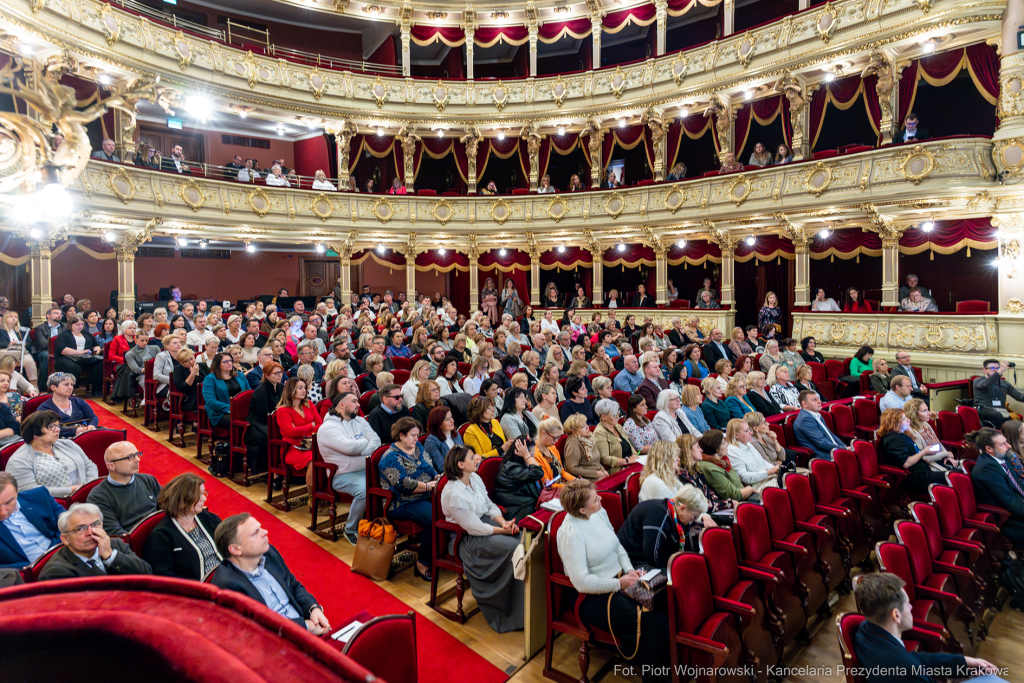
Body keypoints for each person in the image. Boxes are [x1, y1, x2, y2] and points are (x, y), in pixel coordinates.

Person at [554, 479, 670, 683]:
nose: (600, 498)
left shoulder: (598, 513)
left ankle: (670, 669)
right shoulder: (570, 533)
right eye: (594, 498)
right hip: (591, 596)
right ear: (582, 509)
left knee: (666, 599)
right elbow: (582, 582)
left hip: (620, 579)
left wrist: (630, 571)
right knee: (655, 623)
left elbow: (617, 546)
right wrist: (620, 584)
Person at [852, 572, 996, 683]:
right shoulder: (908, 672)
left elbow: (914, 659)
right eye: (907, 604)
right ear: (896, 615)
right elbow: (910, 665)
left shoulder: (865, 629)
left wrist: (966, 663)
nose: (911, 606)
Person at [441, 445, 525, 632]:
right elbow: (474, 527)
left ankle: (525, 605)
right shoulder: (453, 493)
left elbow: (489, 505)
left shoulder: (474, 478)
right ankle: (508, 612)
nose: (477, 459)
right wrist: (503, 531)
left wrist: (503, 523)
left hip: (487, 526)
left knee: (523, 540)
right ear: (460, 464)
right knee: (514, 548)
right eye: (472, 458)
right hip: (467, 540)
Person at [210, 513, 329, 633]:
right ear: (235, 549)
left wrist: (313, 608)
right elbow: (257, 630)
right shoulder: (227, 587)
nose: (265, 531)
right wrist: (306, 626)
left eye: (260, 527)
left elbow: (293, 585)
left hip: (307, 628)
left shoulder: (268, 553)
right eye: (255, 533)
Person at [378, 417, 438, 580]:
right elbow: (402, 484)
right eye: (413, 435)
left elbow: (429, 465)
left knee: (449, 508)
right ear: (401, 435)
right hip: (401, 502)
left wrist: (437, 477)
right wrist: (428, 486)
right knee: (434, 517)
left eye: (417, 435)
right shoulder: (391, 456)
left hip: (425, 494)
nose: (416, 439)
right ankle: (423, 563)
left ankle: (440, 554)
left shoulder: (417, 446)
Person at [318, 392, 380, 546]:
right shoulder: (328, 428)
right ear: (342, 405)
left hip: (367, 470)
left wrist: (358, 447)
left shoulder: (359, 420)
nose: (359, 404)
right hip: (342, 475)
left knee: (391, 483)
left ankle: (379, 524)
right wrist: (365, 444)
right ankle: (350, 530)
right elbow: (349, 448)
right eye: (354, 401)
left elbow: (376, 441)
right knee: (365, 490)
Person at [38, 502, 152, 580]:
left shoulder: (115, 545)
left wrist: (110, 557)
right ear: (65, 539)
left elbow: (147, 573)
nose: (90, 532)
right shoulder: (55, 572)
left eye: (95, 524)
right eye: (80, 528)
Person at [142, 473, 222, 580]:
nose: (204, 499)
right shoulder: (160, 538)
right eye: (198, 495)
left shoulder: (208, 518)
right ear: (181, 500)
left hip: (226, 578)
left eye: (204, 493)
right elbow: (166, 580)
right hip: (199, 592)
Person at [618, 485, 711, 570]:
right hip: (631, 561)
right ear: (682, 508)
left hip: (652, 559)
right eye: (695, 516)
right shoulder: (658, 514)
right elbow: (653, 558)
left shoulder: (679, 517)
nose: (694, 520)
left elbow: (684, 551)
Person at [84, 442, 160, 537]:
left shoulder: (148, 480)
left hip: (162, 534)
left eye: (137, 454)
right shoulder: (98, 496)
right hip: (134, 545)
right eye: (130, 457)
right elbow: (115, 533)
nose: (138, 459)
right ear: (111, 466)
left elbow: (169, 507)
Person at [967, 427, 1024, 547]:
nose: (1008, 446)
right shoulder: (987, 470)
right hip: (1009, 521)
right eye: (1003, 444)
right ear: (989, 448)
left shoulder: (1001, 458)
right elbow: (1011, 503)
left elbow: (1018, 486)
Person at [0, 471, 63, 569]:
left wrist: (52, 556)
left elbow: (69, 523)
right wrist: (36, 566)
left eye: (9, 502)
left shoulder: (39, 496)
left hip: (66, 557)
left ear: (17, 492)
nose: (3, 512)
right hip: (27, 576)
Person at [276, 377, 322, 499]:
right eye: (300, 388)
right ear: (291, 391)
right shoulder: (282, 411)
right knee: (312, 459)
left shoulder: (309, 404)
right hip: (292, 448)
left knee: (327, 455)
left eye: (304, 388)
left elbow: (320, 424)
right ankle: (313, 498)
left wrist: (304, 430)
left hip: (310, 443)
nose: (304, 391)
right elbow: (292, 432)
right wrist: (310, 426)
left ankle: (325, 492)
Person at [243, 362, 284, 475]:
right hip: (257, 424)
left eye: (280, 372)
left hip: (273, 421)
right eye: (276, 373)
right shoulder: (261, 390)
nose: (279, 375)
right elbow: (264, 415)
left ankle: (281, 466)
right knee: (273, 434)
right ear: (267, 375)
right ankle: (270, 468)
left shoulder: (281, 387)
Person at [696, 430, 754, 503]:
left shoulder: (722, 460)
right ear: (716, 449)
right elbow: (734, 495)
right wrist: (750, 489)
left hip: (745, 495)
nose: (727, 444)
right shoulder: (710, 468)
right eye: (723, 443)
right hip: (738, 502)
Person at [725, 418, 781, 493]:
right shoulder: (732, 451)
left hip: (768, 478)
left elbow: (763, 462)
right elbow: (743, 477)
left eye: (749, 429)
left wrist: (776, 469)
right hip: (757, 486)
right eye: (746, 431)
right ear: (736, 435)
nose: (751, 432)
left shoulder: (748, 444)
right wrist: (768, 472)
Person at [54, 315, 103, 395]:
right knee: (75, 368)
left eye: (82, 324)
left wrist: (97, 350)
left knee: (100, 364)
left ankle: (96, 389)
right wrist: (80, 352)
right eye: (77, 324)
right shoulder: (64, 335)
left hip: (85, 358)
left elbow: (96, 345)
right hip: (67, 358)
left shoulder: (86, 334)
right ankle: (72, 390)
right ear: (71, 325)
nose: (80, 326)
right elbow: (63, 350)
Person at [792, 390, 845, 461]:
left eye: (818, 399)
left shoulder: (815, 414)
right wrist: (844, 449)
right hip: (821, 456)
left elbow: (831, 435)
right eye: (814, 400)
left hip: (831, 450)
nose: (819, 401)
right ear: (804, 404)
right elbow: (821, 443)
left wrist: (844, 447)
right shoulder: (805, 419)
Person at [592, 399, 638, 475]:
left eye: (618, 413)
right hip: (617, 469)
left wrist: (635, 455)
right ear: (604, 416)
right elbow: (604, 458)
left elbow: (629, 444)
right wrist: (627, 461)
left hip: (630, 464)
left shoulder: (618, 427)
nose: (617, 417)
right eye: (614, 415)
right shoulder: (599, 432)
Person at [202, 353, 244, 432]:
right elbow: (210, 401)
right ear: (217, 364)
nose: (230, 363)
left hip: (240, 409)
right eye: (225, 362)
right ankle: (238, 443)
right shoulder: (210, 379)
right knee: (239, 420)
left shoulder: (240, 376)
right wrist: (230, 407)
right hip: (220, 413)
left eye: (231, 361)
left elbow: (248, 394)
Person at [562, 413, 606, 481]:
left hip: (598, 475)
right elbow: (572, 469)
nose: (587, 427)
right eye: (583, 426)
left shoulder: (589, 437)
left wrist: (603, 470)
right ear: (574, 431)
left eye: (586, 424)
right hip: (586, 480)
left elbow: (596, 461)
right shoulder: (573, 442)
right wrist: (596, 473)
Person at [423, 405, 464, 473]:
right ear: (439, 424)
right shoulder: (431, 442)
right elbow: (442, 468)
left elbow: (464, 454)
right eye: (447, 419)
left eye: (451, 417)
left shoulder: (455, 434)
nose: (452, 421)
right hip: (451, 475)